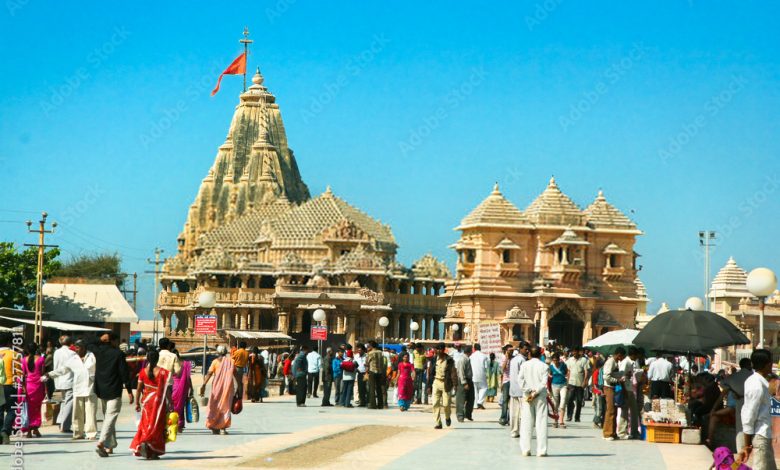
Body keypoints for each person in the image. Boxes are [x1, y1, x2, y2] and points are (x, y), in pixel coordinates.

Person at [44, 339, 98, 440]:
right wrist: (50, 374)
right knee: (77, 413)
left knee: (90, 412)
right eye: (75, 348)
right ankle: (78, 433)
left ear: (84, 348)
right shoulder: (73, 359)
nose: (76, 350)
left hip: (91, 388)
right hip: (78, 388)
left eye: (78, 347)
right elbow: (63, 370)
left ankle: (91, 434)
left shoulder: (92, 357)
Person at [94, 333, 134, 457]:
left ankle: (109, 446)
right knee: (110, 418)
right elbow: (124, 373)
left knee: (109, 418)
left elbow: (88, 342)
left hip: (101, 390)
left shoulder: (98, 351)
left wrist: (100, 339)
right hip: (114, 390)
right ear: (112, 341)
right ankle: (101, 442)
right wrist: (129, 390)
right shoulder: (118, 354)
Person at [129, 350, 169, 460]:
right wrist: (171, 403)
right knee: (157, 426)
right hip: (158, 403)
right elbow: (167, 390)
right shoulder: (163, 372)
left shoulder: (142, 372)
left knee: (145, 424)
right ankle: (150, 447)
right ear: (158, 359)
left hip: (146, 401)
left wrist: (137, 403)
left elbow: (138, 389)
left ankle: (145, 444)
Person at [740, 349, 776, 470]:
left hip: (764, 435)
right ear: (767, 364)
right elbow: (749, 415)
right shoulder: (756, 385)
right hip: (760, 436)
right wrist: (746, 444)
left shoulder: (760, 382)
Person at [519, 346, 549, 457]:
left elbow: (520, 380)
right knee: (541, 422)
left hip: (527, 396)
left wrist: (529, 391)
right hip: (539, 396)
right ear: (540, 355)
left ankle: (525, 449)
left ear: (529, 354)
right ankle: (541, 450)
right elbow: (544, 382)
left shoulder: (524, 365)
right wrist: (536, 392)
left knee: (526, 422)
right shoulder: (544, 366)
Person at [201, 345, 236, 434]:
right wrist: (240, 386)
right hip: (227, 387)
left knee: (214, 406)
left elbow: (209, 373)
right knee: (225, 406)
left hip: (216, 388)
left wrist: (204, 384)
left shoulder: (215, 362)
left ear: (217, 352)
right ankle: (223, 428)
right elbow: (236, 374)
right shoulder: (231, 361)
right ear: (225, 352)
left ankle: (214, 427)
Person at [722, 358, 753, 452]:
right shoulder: (753, 375)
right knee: (752, 425)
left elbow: (723, 384)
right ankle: (750, 448)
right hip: (751, 401)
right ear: (749, 365)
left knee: (740, 427)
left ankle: (740, 450)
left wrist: (733, 390)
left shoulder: (734, 376)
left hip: (739, 402)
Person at [429, 342, 456, 429]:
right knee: (435, 403)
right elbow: (430, 373)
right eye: (437, 349)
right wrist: (428, 386)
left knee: (446, 404)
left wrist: (455, 385)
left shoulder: (449, 360)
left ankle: (447, 417)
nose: (438, 351)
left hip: (446, 383)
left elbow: (453, 373)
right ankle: (438, 423)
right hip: (436, 382)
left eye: (440, 349)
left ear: (443, 350)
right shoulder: (433, 359)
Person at [53, 335, 78, 434]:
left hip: (59, 380)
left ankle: (60, 421)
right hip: (69, 380)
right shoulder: (72, 353)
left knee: (64, 401)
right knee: (69, 403)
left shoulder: (57, 352)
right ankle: (65, 425)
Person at [602, 347, 626, 441]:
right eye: (622, 356)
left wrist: (621, 375)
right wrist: (617, 380)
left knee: (614, 411)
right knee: (610, 410)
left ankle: (613, 432)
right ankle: (607, 434)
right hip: (609, 388)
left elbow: (613, 374)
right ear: (619, 354)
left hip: (613, 388)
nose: (623, 358)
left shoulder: (615, 362)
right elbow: (606, 376)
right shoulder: (610, 362)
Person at [21, 343, 45, 438]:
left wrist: (23, 388)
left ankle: (29, 431)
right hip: (38, 385)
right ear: (36, 349)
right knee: (37, 408)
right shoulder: (41, 359)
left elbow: (23, 375)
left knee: (29, 408)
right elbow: (43, 373)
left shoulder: (24, 360)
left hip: (29, 385)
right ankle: (35, 428)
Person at [617, 347, 639, 440]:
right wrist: (624, 390)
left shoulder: (631, 363)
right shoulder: (626, 362)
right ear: (633, 355)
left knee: (634, 410)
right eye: (636, 355)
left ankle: (634, 432)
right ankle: (622, 432)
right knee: (625, 411)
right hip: (626, 389)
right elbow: (621, 376)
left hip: (630, 389)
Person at [564, 346, 590, 422]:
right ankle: (569, 415)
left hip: (580, 383)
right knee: (569, 400)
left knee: (579, 401)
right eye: (573, 351)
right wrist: (567, 383)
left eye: (576, 351)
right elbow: (568, 371)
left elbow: (586, 372)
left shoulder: (584, 360)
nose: (574, 353)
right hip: (571, 382)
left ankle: (577, 417)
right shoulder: (569, 360)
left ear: (579, 352)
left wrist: (585, 381)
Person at [509, 343, 528, 438]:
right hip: (521, 390)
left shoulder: (513, 360)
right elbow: (524, 376)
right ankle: (521, 430)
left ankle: (514, 431)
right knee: (522, 412)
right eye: (525, 349)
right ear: (520, 349)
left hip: (513, 389)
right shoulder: (522, 360)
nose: (527, 351)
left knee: (514, 411)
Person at [171, 351, 193, 431]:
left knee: (173, 405)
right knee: (181, 405)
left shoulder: (172, 363)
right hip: (184, 387)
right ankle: (180, 424)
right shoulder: (185, 363)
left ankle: (174, 423)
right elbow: (188, 378)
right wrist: (191, 388)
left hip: (174, 386)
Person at [549, 353, 568, 429]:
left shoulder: (563, 365)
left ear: (559, 359)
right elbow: (550, 375)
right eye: (553, 360)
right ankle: (555, 420)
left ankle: (561, 420)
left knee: (563, 402)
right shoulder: (551, 367)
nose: (555, 362)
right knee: (555, 403)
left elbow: (567, 372)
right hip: (554, 385)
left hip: (563, 385)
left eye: (556, 360)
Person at [470, 343, 489, 409]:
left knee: (475, 390)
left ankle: (475, 405)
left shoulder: (471, 356)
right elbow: (486, 367)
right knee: (484, 388)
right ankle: (480, 402)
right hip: (481, 375)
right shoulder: (484, 356)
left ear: (474, 348)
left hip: (473, 375)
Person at [365, 341, 384, 409]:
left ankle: (372, 405)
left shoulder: (370, 353)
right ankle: (380, 404)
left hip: (372, 371)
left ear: (371, 346)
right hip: (379, 372)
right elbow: (382, 362)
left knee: (372, 388)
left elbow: (367, 363)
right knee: (379, 388)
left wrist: (366, 371)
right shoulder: (380, 352)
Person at [498, 345, 513, 426]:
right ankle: (503, 417)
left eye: (512, 350)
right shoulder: (503, 358)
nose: (511, 352)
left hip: (513, 382)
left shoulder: (515, 358)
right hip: (506, 381)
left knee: (513, 401)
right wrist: (507, 359)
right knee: (505, 401)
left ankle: (511, 418)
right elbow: (502, 370)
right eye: (510, 350)